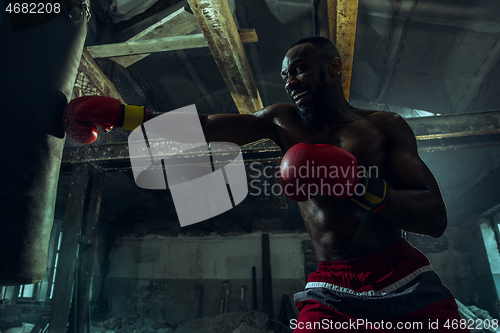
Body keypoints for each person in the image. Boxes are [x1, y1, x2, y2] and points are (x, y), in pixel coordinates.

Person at [64, 36, 468, 332]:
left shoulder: (385, 126)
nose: (290, 81)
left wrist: (362, 186)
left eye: (299, 69)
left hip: (401, 275)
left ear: (334, 66)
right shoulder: (281, 120)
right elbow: (204, 128)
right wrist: (122, 114)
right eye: (285, 75)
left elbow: (434, 217)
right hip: (332, 286)